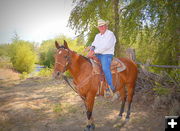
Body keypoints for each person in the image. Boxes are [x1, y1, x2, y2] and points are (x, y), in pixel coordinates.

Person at [87, 19, 117, 98]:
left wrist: (94, 52)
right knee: (88, 63)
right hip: (98, 53)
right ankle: (94, 86)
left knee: (105, 68)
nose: (101, 27)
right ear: (98, 28)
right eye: (100, 26)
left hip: (107, 54)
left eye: (103, 26)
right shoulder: (97, 36)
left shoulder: (110, 34)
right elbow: (94, 44)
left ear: (106, 26)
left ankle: (111, 87)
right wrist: (91, 50)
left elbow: (106, 46)